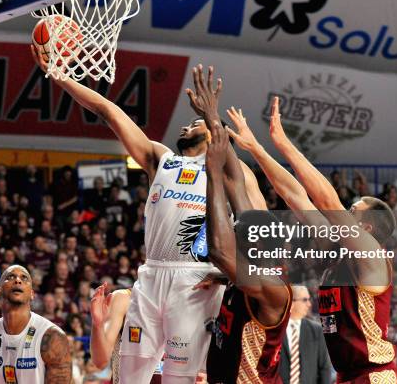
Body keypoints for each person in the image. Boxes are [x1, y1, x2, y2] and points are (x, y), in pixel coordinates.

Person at [32, 47, 264, 384]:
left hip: (196, 281)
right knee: (128, 376)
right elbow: (109, 111)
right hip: (152, 276)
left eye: (196, 122)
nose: (186, 125)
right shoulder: (162, 159)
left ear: (216, 133)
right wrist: (61, 76)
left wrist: (234, 273)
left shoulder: (230, 169)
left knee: (181, 378)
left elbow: (257, 224)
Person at [225, 96, 397, 382]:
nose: (344, 213)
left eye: (352, 211)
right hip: (347, 375)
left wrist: (283, 143)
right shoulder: (336, 247)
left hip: (374, 375)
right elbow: (294, 195)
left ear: (367, 230)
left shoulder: (371, 257)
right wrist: (257, 148)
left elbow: (326, 199)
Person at [196, 82, 291, 383]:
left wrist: (211, 172)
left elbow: (220, 252)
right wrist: (212, 119)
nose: (237, 235)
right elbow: (236, 181)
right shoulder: (252, 270)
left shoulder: (273, 288)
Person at [0, 265, 72, 383]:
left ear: (32, 294)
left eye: (24, 278)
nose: (18, 280)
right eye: (11, 277)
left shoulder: (51, 336)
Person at [279, 286, 331, 384]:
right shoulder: (274, 330)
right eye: (304, 300)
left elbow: (324, 368)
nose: (309, 304)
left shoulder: (317, 330)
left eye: (309, 299)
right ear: (291, 302)